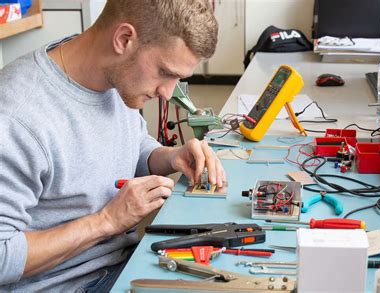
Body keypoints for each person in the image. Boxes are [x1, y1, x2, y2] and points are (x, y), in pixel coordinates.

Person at [0, 0, 225, 291]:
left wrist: (169, 157)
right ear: (124, 39)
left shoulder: (114, 77)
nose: (168, 94)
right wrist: (106, 221)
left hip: (125, 265)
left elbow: (129, 143)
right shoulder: (17, 117)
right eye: (165, 72)